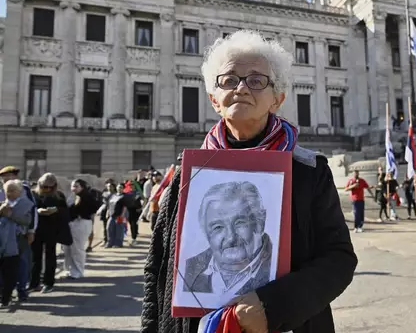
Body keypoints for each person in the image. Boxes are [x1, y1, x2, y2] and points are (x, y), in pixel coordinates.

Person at [142, 30, 357, 333]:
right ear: (214, 99)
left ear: (277, 99)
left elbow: (339, 259)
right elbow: (158, 267)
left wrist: (273, 305)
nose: (241, 88)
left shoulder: (309, 171)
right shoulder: (186, 174)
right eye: (229, 80)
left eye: (256, 81)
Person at [184, 181, 272, 297]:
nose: (231, 237)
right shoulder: (189, 269)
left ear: (260, 223)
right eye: (218, 227)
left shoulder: (279, 267)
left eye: (239, 223)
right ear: (206, 232)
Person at [0, 166, 37, 302]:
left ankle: (22, 290)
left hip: (20, 234)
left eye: (7, 175)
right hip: (3, 235)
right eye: (3, 176)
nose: (5, 179)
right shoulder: (1, 191)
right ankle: (5, 292)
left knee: (21, 263)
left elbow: (32, 214)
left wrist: (31, 231)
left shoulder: (24, 190)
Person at [30, 173, 70, 293]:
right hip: (37, 228)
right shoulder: (33, 194)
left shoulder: (58, 196)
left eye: (50, 187)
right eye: (44, 187)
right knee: (35, 257)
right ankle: (34, 282)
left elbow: (67, 213)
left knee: (50, 256)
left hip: (52, 229)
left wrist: (56, 210)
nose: (47, 190)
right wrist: (38, 211)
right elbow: (29, 209)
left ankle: (48, 282)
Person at [63, 179, 99, 279]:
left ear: (82, 187)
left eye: (76, 186)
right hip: (71, 223)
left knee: (77, 248)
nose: (73, 188)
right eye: (72, 186)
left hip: (81, 223)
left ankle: (77, 271)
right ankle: (69, 270)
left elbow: (93, 208)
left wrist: (81, 214)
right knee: (68, 249)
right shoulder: (72, 196)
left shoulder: (86, 197)